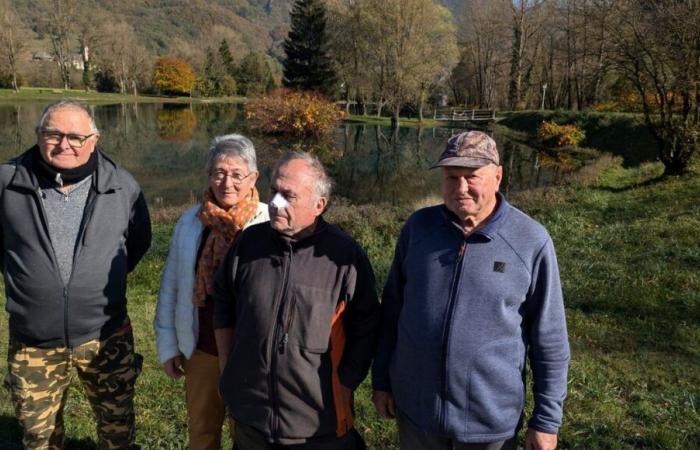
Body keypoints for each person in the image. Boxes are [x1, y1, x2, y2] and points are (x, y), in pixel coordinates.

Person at [372, 131, 570, 450]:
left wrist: (546, 420)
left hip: (489, 423)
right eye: (452, 177)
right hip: (416, 414)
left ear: (497, 175)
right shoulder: (418, 229)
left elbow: (550, 339)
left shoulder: (530, 241)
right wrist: (382, 380)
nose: (461, 188)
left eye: (472, 177)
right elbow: (392, 312)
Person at [0, 100, 151, 449]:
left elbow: (138, 242)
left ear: (94, 139)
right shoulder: (7, 182)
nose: (64, 144)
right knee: (39, 436)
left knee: (117, 428)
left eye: (75, 137)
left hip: (105, 335)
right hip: (34, 340)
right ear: (38, 135)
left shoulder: (122, 186)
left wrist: (93, 279)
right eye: (52, 134)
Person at [212, 152, 380, 449]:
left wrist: (344, 385)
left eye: (288, 196)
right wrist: (228, 367)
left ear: (319, 205)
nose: (275, 203)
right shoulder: (248, 244)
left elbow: (366, 328)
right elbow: (223, 302)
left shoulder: (344, 257)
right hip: (252, 420)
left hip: (317, 425)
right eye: (274, 192)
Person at [155, 134, 269, 450]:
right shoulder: (190, 222)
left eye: (236, 174)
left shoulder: (270, 223)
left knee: (249, 434)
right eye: (218, 172)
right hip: (202, 348)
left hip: (252, 354)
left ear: (253, 177)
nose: (227, 182)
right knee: (203, 433)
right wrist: (168, 345)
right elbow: (171, 287)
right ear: (208, 174)